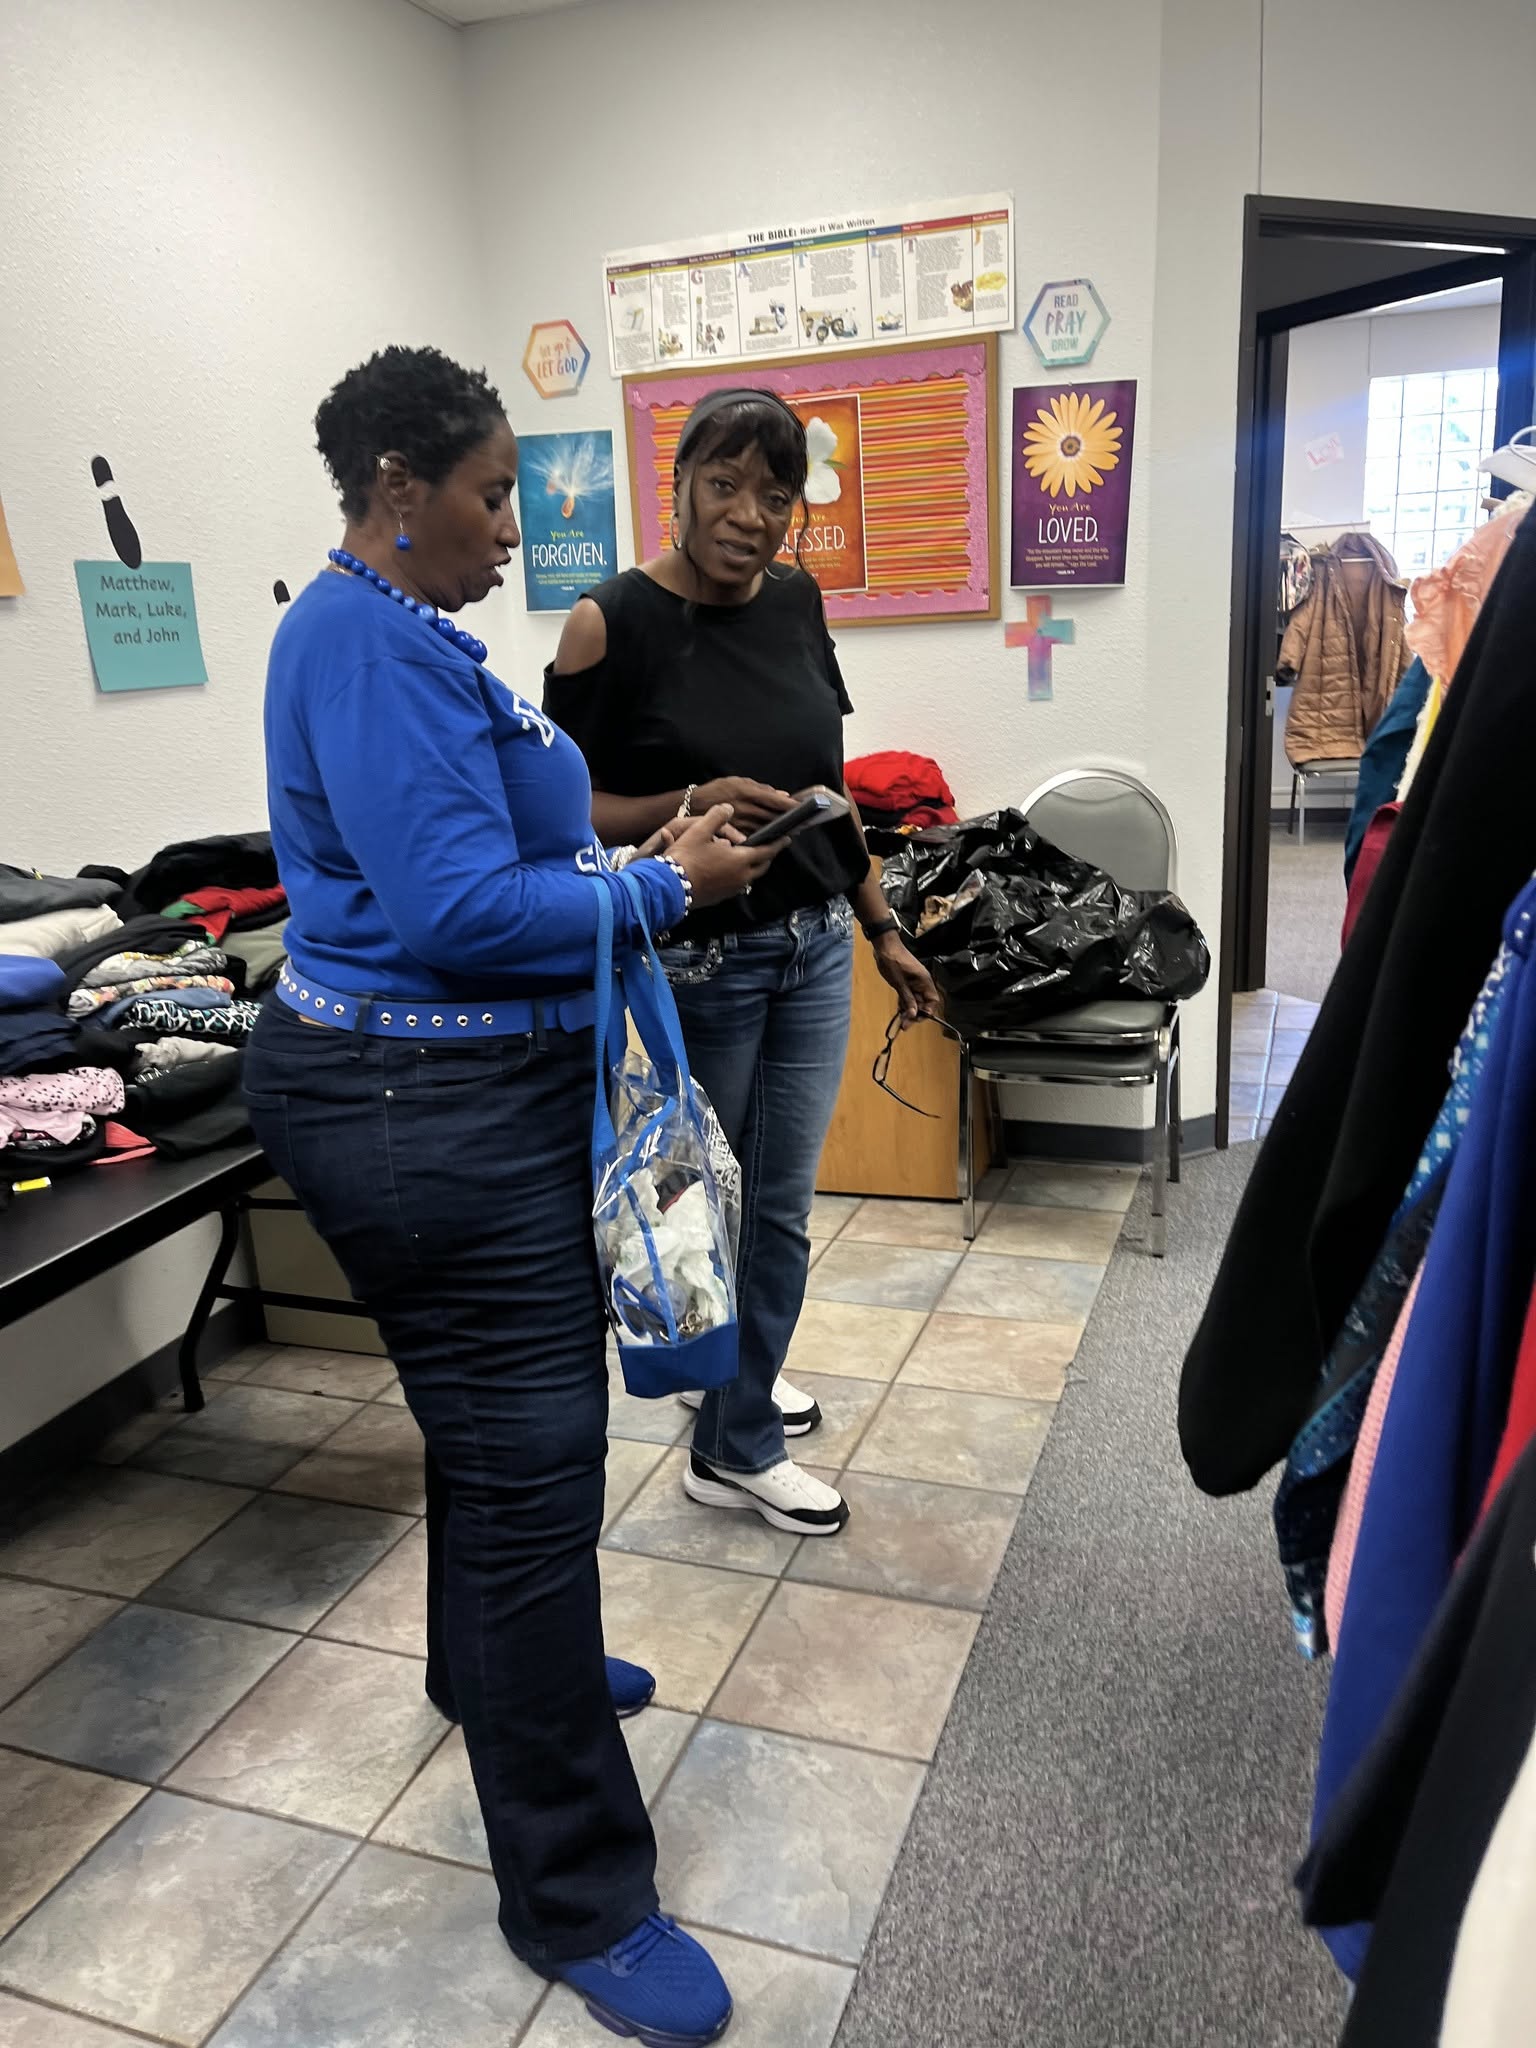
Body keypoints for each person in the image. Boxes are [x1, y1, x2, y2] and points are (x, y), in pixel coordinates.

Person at [244, 345, 772, 2048]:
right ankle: (579, 1894)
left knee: (488, 1439)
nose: (512, 529)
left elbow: (498, 856)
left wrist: (644, 847)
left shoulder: (397, 633)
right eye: (490, 495)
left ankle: (484, 1667)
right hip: (419, 1111)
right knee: (533, 1470)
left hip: (449, 1093)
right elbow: (462, 913)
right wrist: (666, 893)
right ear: (397, 490)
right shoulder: (362, 648)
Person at [546, 387, 940, 1540]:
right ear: (675, 485)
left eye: (776, 495)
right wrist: (692, 795)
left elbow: (831, 782)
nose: (749, 516)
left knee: (777, 1205)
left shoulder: (798, 601)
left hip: (813, 948)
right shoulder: (608, 622)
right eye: (724, 485)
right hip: (697, 960)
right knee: (711, 1209)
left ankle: (739, 1393)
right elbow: (564, 811)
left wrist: (881, 924)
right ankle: (733, 1444)